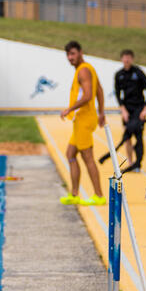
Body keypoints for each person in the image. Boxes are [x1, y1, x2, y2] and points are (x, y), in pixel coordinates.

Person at [58, 41, 106, 206]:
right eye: (68, 55)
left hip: (84, 120)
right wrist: (101, 112)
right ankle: (75, 194)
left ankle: (99, 195)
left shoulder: (83, 71)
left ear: (80, 52)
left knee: (88, 158)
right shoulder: (88, 68)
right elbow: (99, 90)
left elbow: (87, 96)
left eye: (73, 54)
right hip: (83, 119)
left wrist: (68, 109)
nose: (70, 58)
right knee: (70, 154)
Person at [108, 49, 146, 172]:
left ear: (132, 59)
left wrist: (145, 109)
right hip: (127, 109)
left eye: (129, 57)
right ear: (121, 59)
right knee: (127, 137)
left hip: (139, 108)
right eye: (124, 57)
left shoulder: (138, 73)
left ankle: (138, 164)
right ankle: (130, 162)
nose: (126, 60)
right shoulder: (119, 75)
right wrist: (123, 109)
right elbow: (118, 93)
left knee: (138, 136)